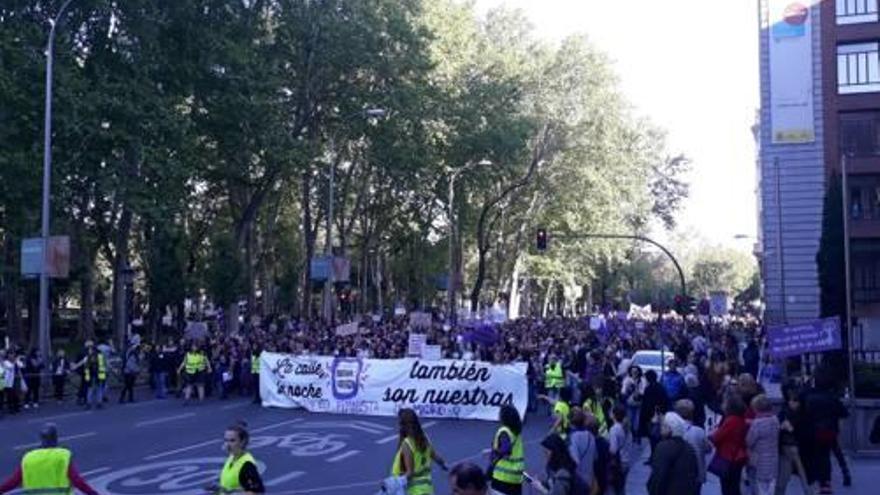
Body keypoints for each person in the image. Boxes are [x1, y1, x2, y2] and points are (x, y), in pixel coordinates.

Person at [0, 423, 99, 494]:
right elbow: (77, 481)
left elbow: (13, 482)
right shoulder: (62, 456)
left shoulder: (28, 457)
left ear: (41, 439)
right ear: (56, 438)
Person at [801, 370, 849, 495]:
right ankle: (829, 480)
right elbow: (844, 413)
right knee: (828, 454)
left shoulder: (808, 397)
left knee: (817, 456)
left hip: (813, 431)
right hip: (830, 430)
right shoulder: (832, 398)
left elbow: (803, 411)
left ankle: (820, 480)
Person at [392, 408, 448, 495]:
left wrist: (394, 483)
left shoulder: (407, 444)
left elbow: (410, 473)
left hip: (413, 490)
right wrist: (443, 464)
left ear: (402, 425)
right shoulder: (424, 437)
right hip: (427, 486)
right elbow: (433, 455)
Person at [646, 412, 700, 495]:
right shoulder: (690, 448)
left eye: (664, 425)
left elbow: (658, 476)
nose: (661, 428)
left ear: (670, 428)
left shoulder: (663, 447)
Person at [205, 421, 264, 494]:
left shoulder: (247, 465)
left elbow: (257, 491)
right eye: (226, 440)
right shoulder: (231, 457)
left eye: (232, 441)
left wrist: (229, 492)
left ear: (242, 442)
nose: (227, 444)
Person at [709, 395, 749, 495]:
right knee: (734, 485)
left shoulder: (731, 420)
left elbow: (716, 437)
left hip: (729, 456)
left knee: (727, 486)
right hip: (738, 455)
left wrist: (711, 434)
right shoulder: (740, 418)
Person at [776, 391, 812, 495]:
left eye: (794, 401)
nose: (791, 403)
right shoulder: (799, 414)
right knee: (798, 468)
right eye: (791, 400)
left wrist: (787, 427)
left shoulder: (788, 413)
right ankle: (806, 489)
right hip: (791, 445)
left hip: (789, 445)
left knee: (786, 472)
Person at [675, 399, 711, 494]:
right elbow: (708, 448)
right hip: (696, 472)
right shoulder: (699, 431)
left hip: (678, 473)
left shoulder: (673, 431)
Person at [746, 394, 779, 495]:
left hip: (759, 459)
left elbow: (749, 441)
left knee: (761, 485)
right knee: (771, 484)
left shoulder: (757, 424)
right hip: (773, 458)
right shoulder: (775, 420)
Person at [489, 405, 524, 495]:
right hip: (516, 476)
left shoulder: (504, 431)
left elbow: (505, 448)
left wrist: (495, 452)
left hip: (502, 476)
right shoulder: (516, 431)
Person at [638, 370, 669, 456]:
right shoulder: (660, 387)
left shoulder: (649, 389)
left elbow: (646, 404)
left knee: (653, 438)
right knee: (656, 437)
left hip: (651, 417)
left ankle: (654, 455)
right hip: (659, 415)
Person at [608, 404, 636, 495]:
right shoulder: (627, 427)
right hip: (626, 460)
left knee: (615, 489)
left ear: (614, 415)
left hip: (618, 463)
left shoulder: (614, 429)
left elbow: (613, 449)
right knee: (621, 487)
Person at [567, 408, 597, 492]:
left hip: (578, 481)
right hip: (589, 479)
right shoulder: (591, 436)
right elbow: (595, 457)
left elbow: (574, 460)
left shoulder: (573, 437)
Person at [74, 344, 106, 410]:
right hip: (99, 375)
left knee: (90, 390)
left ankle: (89, 403)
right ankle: (99, 402)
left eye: (89, 349)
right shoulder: (100, 356)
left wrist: (75, 367)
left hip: (90, 375)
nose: (89, 350)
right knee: (98, 389)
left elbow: (82, 363)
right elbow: (103, 365)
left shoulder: (88, 357)